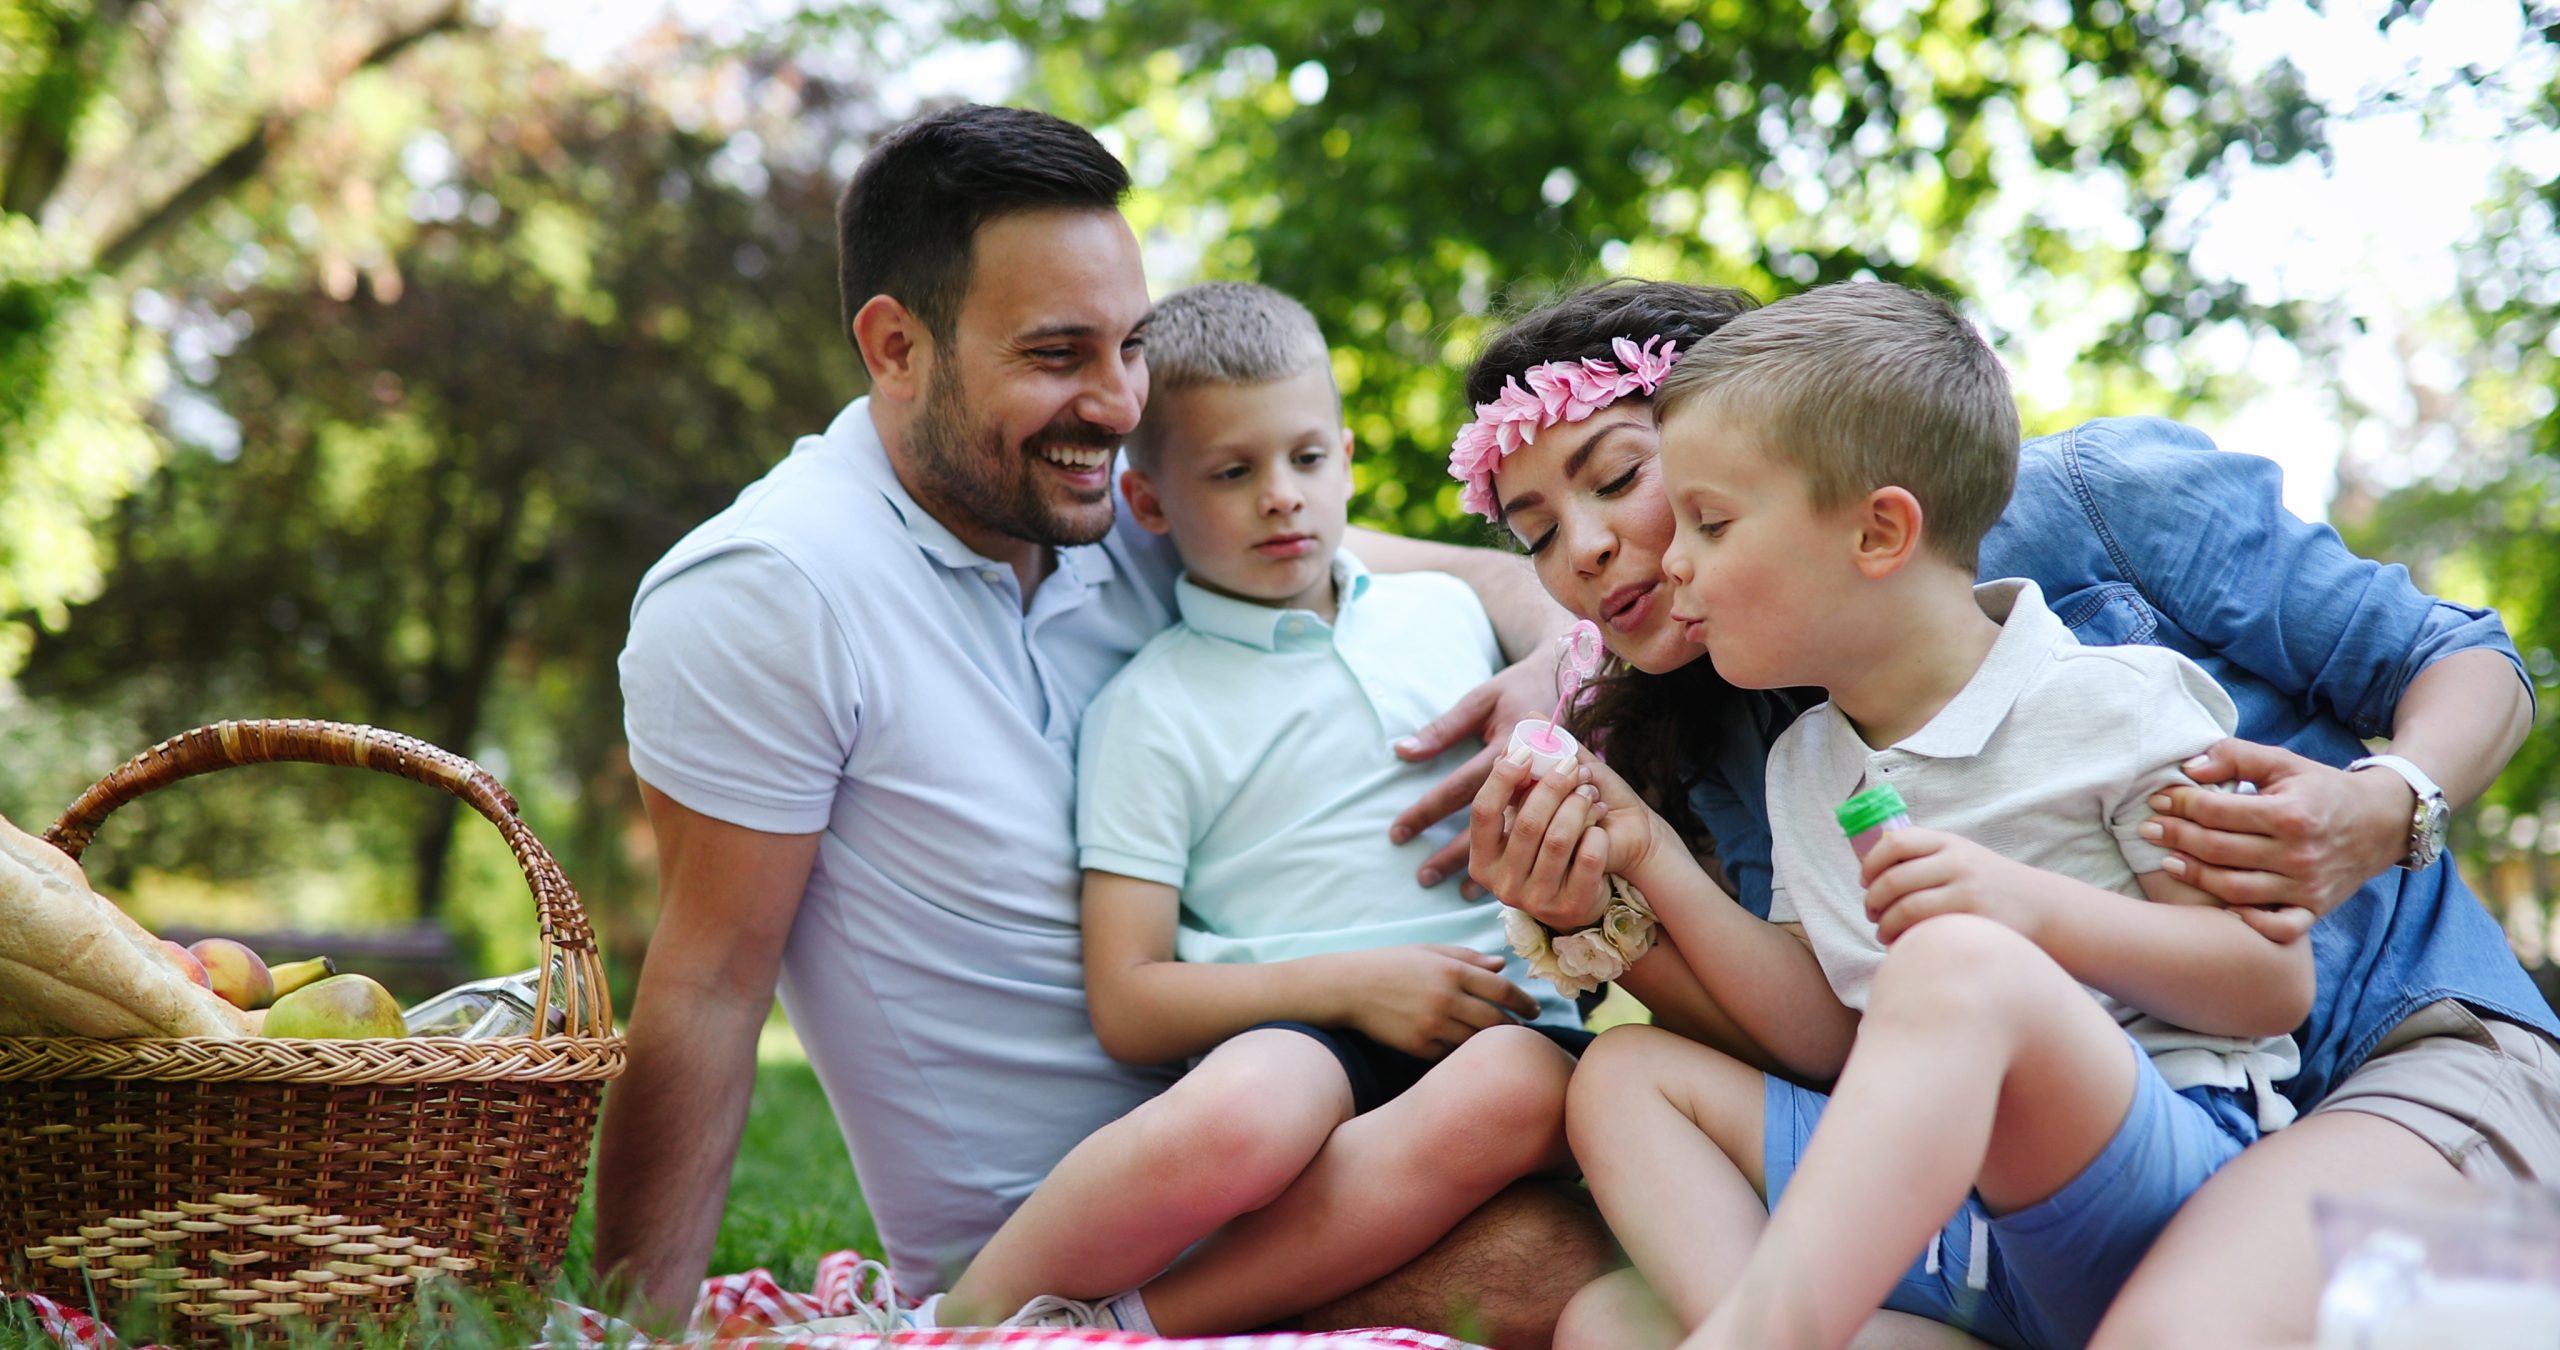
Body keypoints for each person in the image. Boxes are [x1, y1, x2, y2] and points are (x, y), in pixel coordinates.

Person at [599, 106, 1604, 1339]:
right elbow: (703, 991)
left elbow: (1491, 582)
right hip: (1071, 1225)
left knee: (1648, 1199)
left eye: (1128, 345)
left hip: (1331, 1132)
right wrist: (625, 1323)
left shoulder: (1131, 515)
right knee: (1576, 1273)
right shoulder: (771, 593)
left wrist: (1552, 673)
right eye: (1056, 353)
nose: (1121, 400)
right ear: (895, 345)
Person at [1454, 278, 2556, 1347]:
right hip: (2043, 1168)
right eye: (1536, 532)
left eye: (1625, 478)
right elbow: (1837, 1040)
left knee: (2179, 1324)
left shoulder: (2091, 522)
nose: (1586, 551)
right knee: (1606, 1322)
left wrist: (2380, 805)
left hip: (2397, 1060)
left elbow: (2461, 657)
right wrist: (1612, 889)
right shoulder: (1748, 735)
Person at [1553, 280, 2314, 1350]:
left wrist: (2025, 913)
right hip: (1960, 1239)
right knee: (1614, 1172)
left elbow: (2267, 981)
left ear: (1877, 534)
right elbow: (1830, 1033)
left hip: (2144, 1196)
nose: (1670, 559)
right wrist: (1640, 853)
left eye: (1709, 523)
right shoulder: (1807, 766)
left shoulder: (2112, 701)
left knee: (1956, 964)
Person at [925, 281, 1586, 1335]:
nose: (1281, 496)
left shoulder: (1447, 615)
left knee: (1520, 1088)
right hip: (1304, 1028)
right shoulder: (1150, 706)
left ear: (1347, 458)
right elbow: (1129, 997)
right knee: (1248, 1107)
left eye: (1307, 459)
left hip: (1501, 1019)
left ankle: (1135, 1325)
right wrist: (1355, 986)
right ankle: (961, 1322)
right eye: (1232, 473)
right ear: (1149, 504)